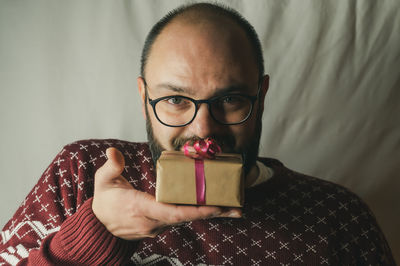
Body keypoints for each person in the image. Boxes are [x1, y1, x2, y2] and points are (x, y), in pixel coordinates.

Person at [0, 3, 395, 265]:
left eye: (230, 99)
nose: (203, 129)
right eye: (175, 100)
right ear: (144, 98)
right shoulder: (81, 171)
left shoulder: (340, 217)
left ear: (261, 96)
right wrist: (95, 232)